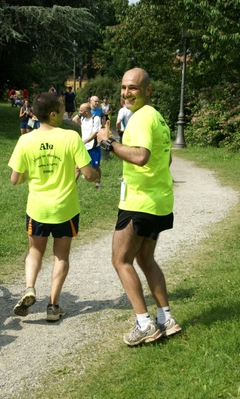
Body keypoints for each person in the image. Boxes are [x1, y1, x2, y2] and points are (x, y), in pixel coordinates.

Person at [97, 67, 181, 346]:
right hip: (159, 202)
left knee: (120, 259)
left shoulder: (141, 118)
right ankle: (165, 318)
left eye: (132, 87)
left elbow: (142, 156)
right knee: (145, 259)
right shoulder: (157, 117)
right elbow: (164, 161)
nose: (126, 93)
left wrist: (109, 143)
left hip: (139, 203)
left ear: (147, 90)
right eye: (123, 87)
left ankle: (144, 324)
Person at [8, 92, 99, 321]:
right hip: (65, 209)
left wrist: (33, 172)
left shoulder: (25, 140)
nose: (63, 113)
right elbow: (88, 174)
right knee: (61, 256)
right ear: (52, 113)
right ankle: (52, 306)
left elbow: (15, 179)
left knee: (35, 251)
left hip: (38, 208)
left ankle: (30, 287)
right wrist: (96, 173)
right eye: (60, 109)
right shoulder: (70, 137)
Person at [72, 103, 102, 189]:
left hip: (94, 147)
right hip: (84, 147)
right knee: (77, 167)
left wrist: (85, 141)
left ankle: (98, 184)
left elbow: (95, 133)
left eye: (81, 110)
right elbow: (74, 119)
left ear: (87, 111)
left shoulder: (96, 119)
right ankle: (72, 185)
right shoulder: (83, 118)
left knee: (95, 167)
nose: (79, 112)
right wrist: (80, 116)